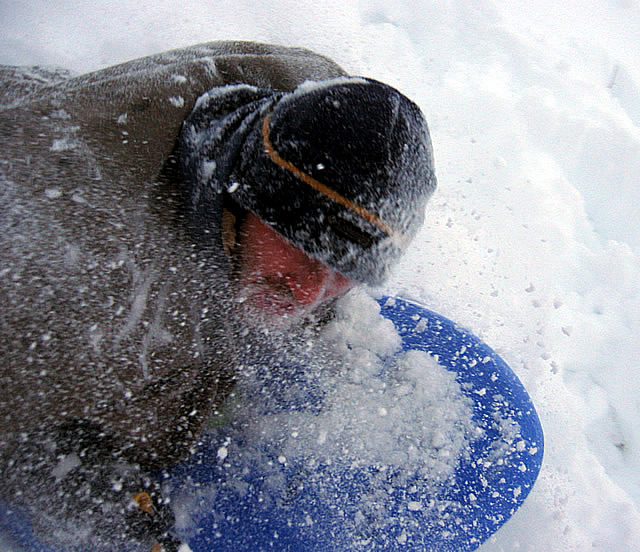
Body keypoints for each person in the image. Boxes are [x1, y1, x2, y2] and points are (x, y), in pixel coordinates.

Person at [0, 42, 436, 551]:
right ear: (242, 193)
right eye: (301, 248)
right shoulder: (67, 269)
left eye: (345, 270)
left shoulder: (316, 105)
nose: (311, 290)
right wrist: (84, 484)